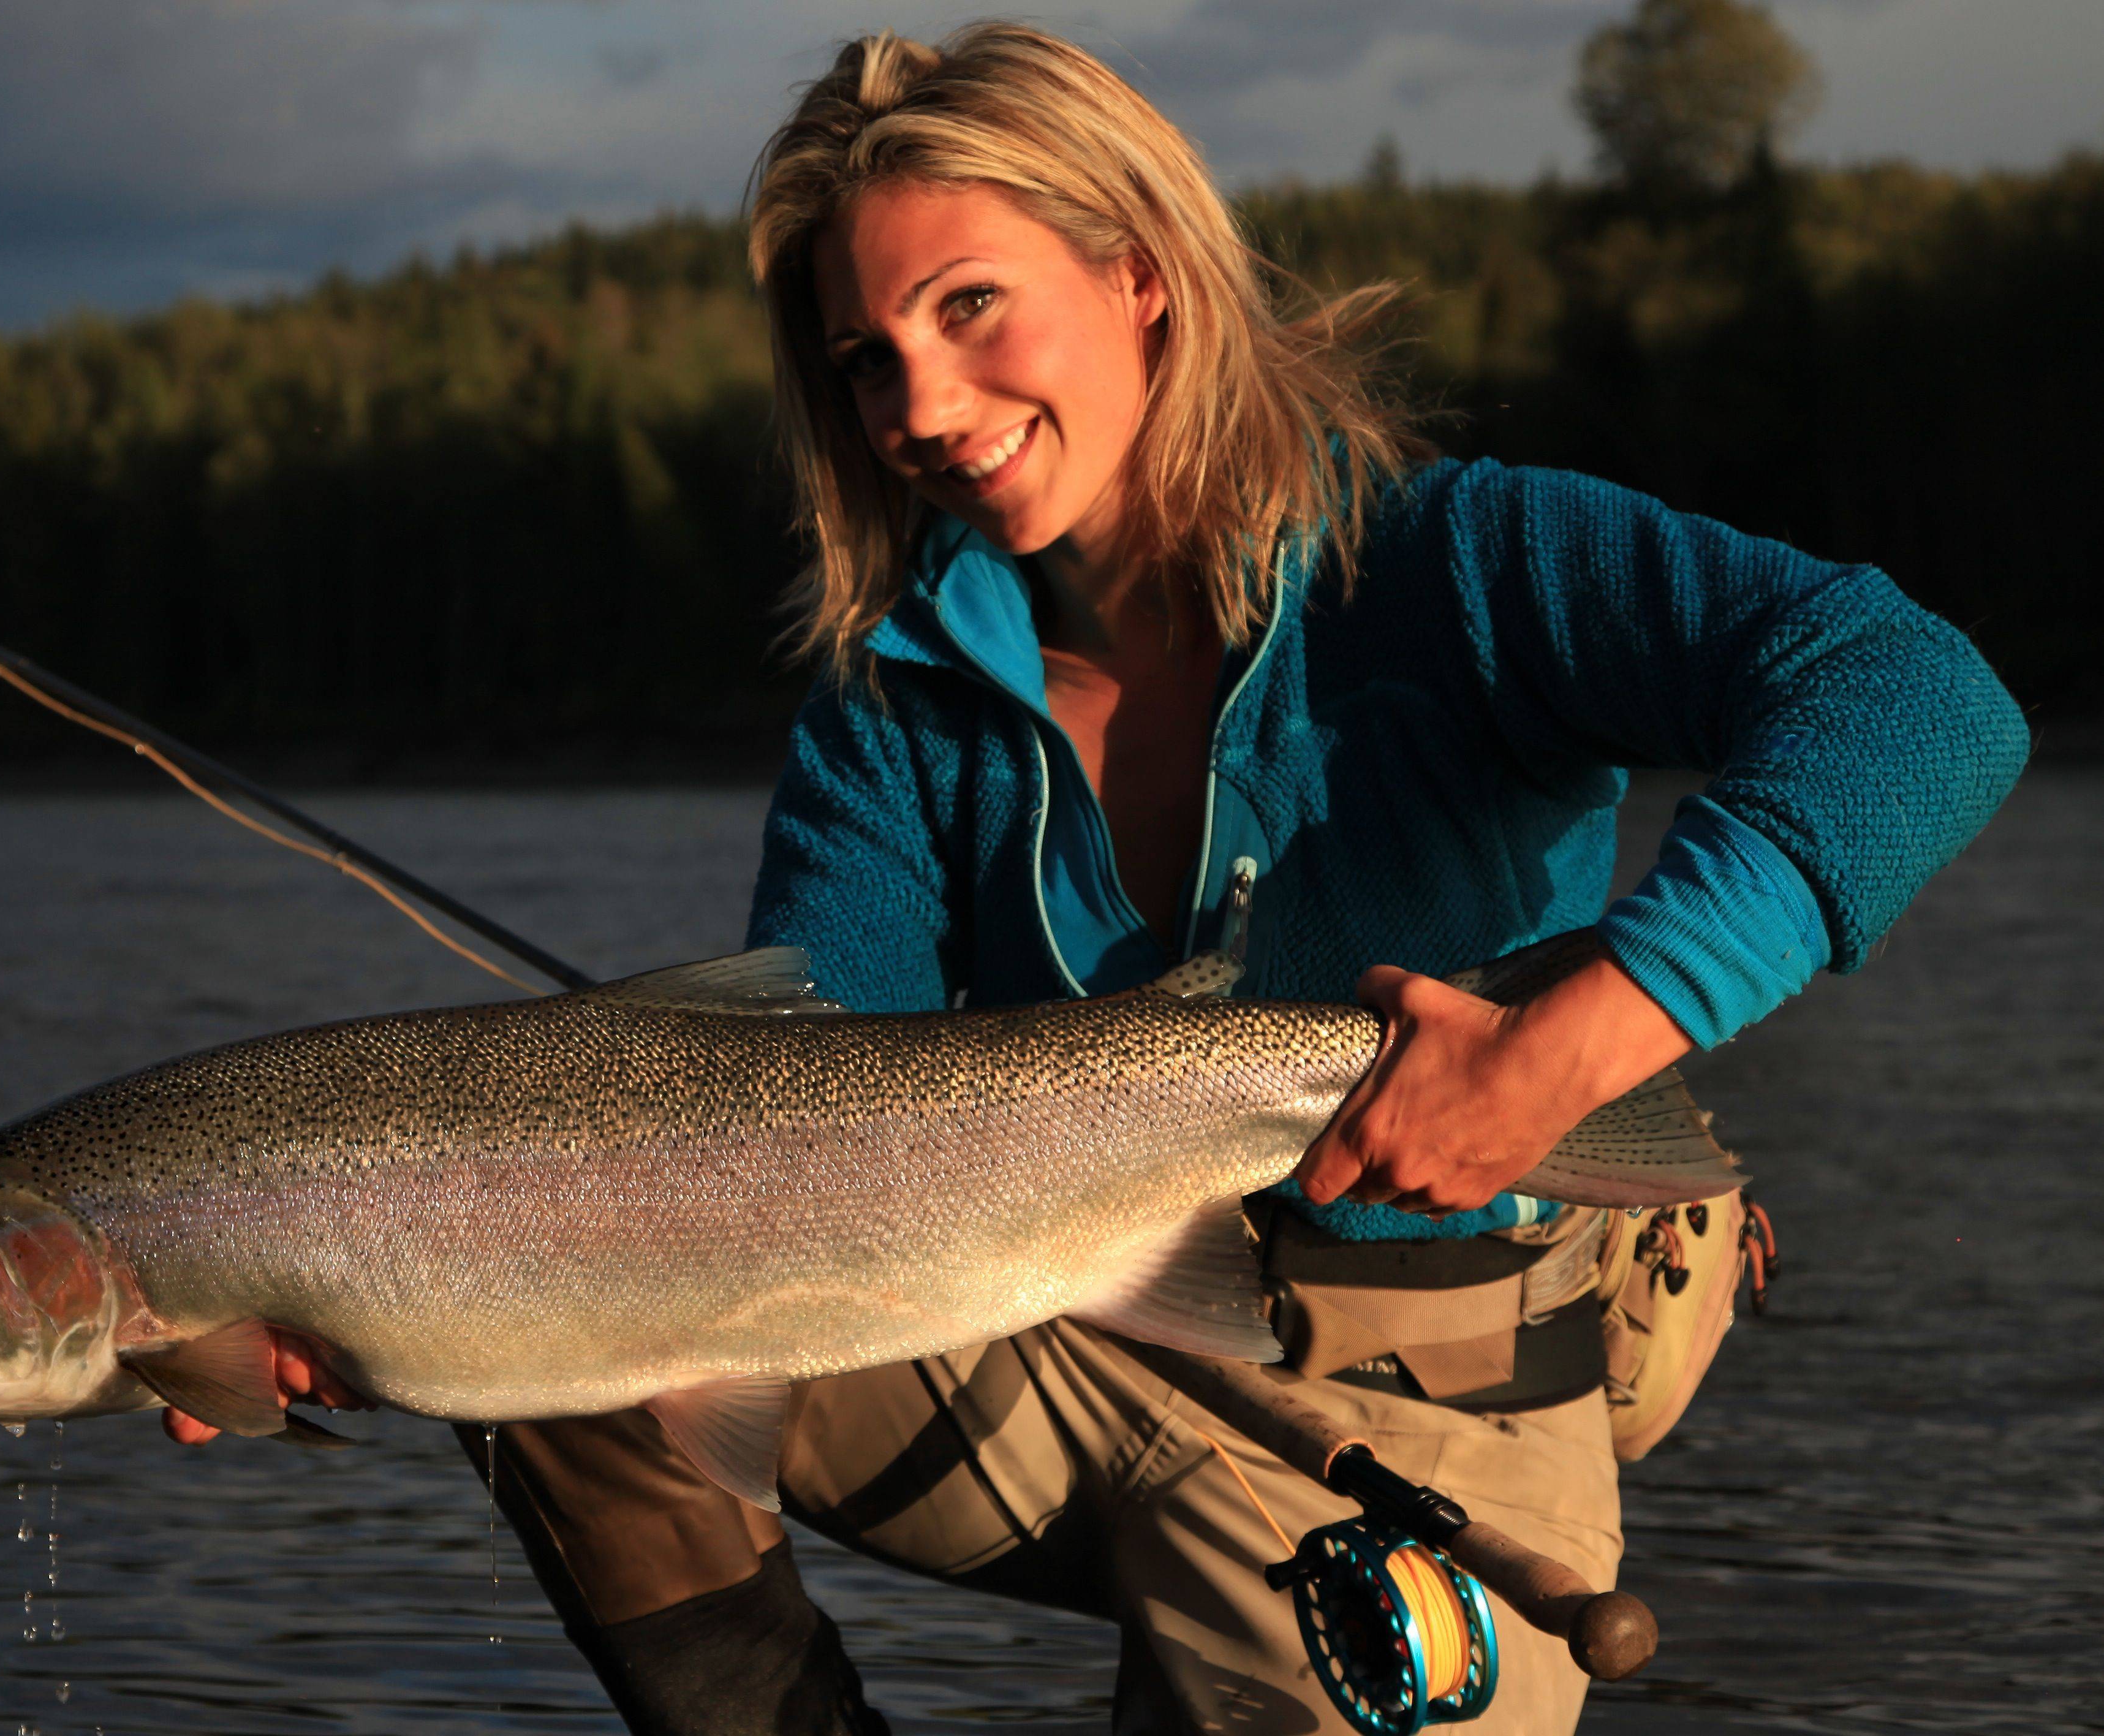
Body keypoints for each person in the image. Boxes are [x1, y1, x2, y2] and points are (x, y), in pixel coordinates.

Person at [167, 23, 2028, 1733]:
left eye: (974, 307)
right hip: (1041, 1352)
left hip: (1437, 1408)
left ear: (1139, 274)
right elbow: (812, 1118)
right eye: (866, 358)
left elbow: (1920, 698)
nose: (925, 400)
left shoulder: (1460, 562)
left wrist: (1572, 1042)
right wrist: (369, 1296)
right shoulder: (890, 712)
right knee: (542, 1355)